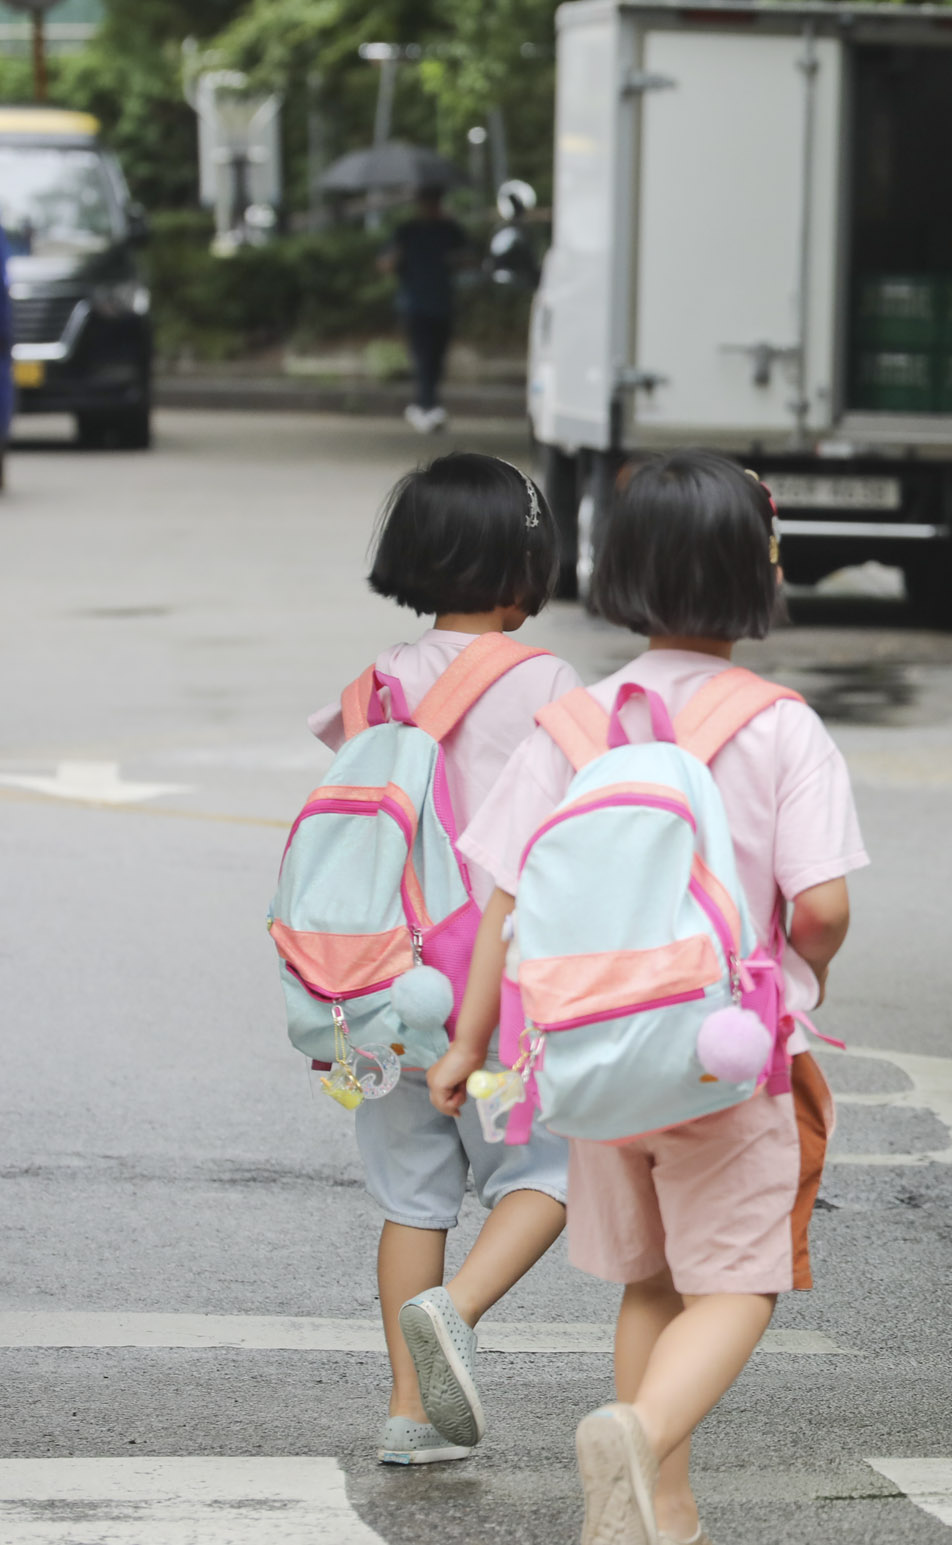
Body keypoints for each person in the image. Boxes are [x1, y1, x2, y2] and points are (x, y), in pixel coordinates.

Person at [430, 450, 866, 1545]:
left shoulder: (575, 726)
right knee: (738, 1284)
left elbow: (504, 899)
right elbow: (820, 906)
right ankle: (639, 1429)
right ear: (756, 573)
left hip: (590, 1058)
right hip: (720, 1052)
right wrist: (796, 973)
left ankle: (654, 1514)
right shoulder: (778, 726)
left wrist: (469, 1043)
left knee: (652, 1281)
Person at [307, 452, 582, 1466]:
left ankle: (408, 1414)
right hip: (503, 987)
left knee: (411, 1196)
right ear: (529, 562)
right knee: (554, 1171)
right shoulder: (549, 682)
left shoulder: (374, 681)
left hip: (383, 987)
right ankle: (458, 1310)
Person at [381, 185, 467, 433]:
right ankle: (425, 404)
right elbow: (384, 263)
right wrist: (396, 256)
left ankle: (429, 404)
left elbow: (468, 257)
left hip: (441, 301)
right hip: (414, 303)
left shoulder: (449, 230)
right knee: (423, 355)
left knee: (437, 357)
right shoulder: (406, 232)